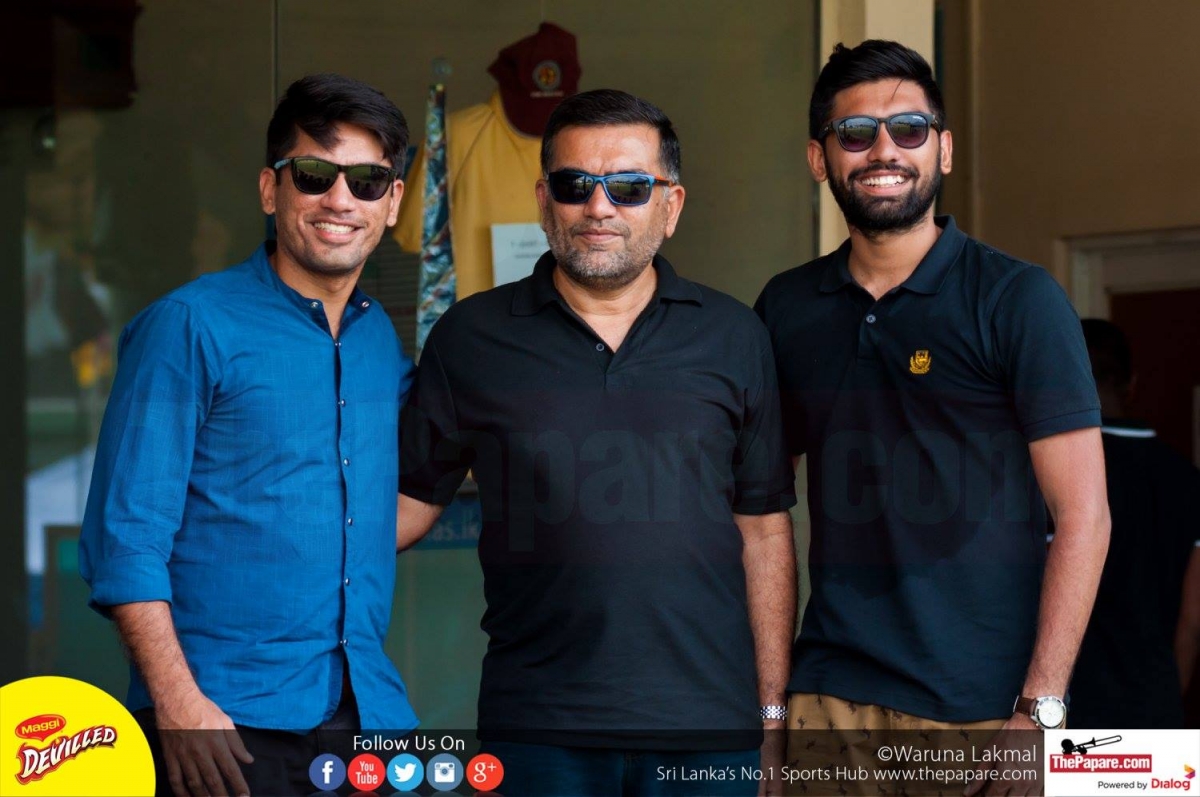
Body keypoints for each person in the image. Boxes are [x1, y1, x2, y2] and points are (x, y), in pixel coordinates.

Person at [398, 88, 797, 796]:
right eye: (574, 184)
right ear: (543, 200)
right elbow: (408, 503)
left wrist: (771, 717)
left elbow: (764, 530)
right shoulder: (472, 338)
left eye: (630, 187)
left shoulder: (735, 337)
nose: (599, 207)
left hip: (708, 731)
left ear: (671, 205)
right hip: (537, 731)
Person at [753, 38, 1110, 786]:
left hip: (983, 708)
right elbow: (761, 516)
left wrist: (1040, 710)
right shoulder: (787, 309)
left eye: (909, 129)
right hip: (830, 699)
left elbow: (1084, 515)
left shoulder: (1016, 299)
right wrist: (773, 708)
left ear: (943, 150)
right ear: (820, 159)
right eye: (856, 133)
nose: (884, 150)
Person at [80, 73, 416, 797]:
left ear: (392, 203)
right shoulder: (189, 326)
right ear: (271, 189)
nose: (340, 199)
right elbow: (125, 539)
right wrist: (178, 704)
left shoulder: (377, 340)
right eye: (315, 174)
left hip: (367, 716)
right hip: (223, 727)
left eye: (366, 181)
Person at [1066, 318, 1200, 728]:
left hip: (1068, 709)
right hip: (1156, 705)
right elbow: (1193, 619)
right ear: (1132, 383)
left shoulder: (1055, 474)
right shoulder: (1188, 479)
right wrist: (1164, 704)